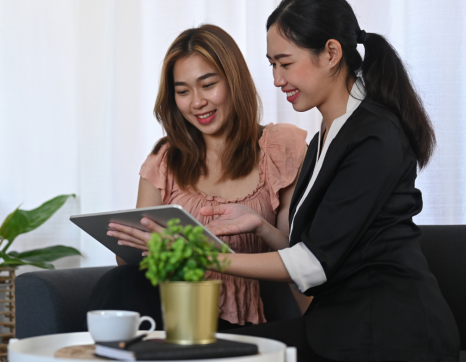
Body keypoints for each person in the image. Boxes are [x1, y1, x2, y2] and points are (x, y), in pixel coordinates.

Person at [138, 0, 460, 361]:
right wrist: (258, 227)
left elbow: (314, 264)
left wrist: (205, 258)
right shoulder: (328, 135)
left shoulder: (374, 135)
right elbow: (313, 247)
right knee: (210, 353)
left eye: (285, 63)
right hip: (340, 327)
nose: (276, 79)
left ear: (331, 53)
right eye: (272, 64)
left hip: (389, 333)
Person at [88, 24, 310, 331]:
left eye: (207, 85)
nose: (196, 102)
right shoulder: (164, 160)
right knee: (122, 279)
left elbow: (298, 254)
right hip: (171, 308)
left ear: (234, 82)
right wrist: (148, 245)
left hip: (245, 316)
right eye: (182, 91)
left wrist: (259, 226)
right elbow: (128, 264)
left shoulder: (278, 148)